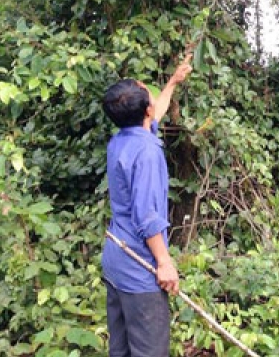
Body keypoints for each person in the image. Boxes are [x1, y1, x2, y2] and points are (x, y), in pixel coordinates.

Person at [101, 53, 192, 356]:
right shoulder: (148, 153)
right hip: (139, 268)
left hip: (116, 261)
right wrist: (164, 263)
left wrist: (173, 82)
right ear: (146, 110)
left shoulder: (122, 139)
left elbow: (157, 111)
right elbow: (147, 215)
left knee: (122, 349)